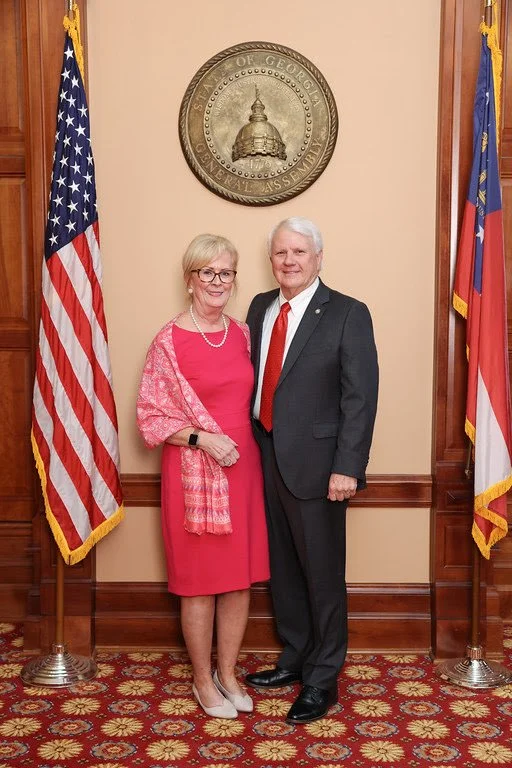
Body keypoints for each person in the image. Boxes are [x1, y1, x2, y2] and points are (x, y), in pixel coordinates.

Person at [245, 217, 378, 724]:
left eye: (299, 252)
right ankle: (296, 657)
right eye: (281, 252)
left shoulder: (347, 313)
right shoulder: (260, 306)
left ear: (318, 258)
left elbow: (360, 397)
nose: (290, 261)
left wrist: (347, 467)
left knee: (322, 575)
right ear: (271, 260)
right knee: (283, 570)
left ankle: (322, 678)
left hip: (321, 469)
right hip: (264, 457)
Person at [137, 233, 270, 719]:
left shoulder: (243, 334)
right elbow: (151, 417)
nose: (217, 281)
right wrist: (201, 439)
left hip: (243, 469)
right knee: (199, 582)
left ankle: (228, 674)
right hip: (192, 474)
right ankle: (201, 679)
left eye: (226, 272)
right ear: (190, 279)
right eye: (207, 272)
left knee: (238, 581)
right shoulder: (168, 341)